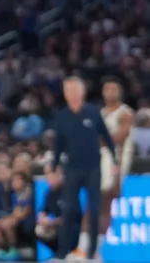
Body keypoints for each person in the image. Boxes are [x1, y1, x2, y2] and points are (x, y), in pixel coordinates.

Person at [52, 76, 118, 261]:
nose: (72, 94)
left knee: (95, 210)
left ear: (82, 92)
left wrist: (115, 160)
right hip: (72, 169)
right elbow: (58, 145)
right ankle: (63, 252)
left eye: (75, 90)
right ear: (65, 94)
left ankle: (91, 252)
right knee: (68, 210)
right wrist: (53, 166)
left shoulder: (93, 112)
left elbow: (107, 137)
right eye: (68, 90)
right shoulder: (61, 116)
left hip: (92, 169)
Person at [99, 77, 134, 240]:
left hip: (115, 161)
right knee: (95, 205)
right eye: (107, 88)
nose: (110, 92)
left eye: (113, 88)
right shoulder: (100, 113)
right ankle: (91, 247)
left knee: (106, 202)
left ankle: (99, 246)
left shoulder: (125, 113)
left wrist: (98, 140)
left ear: (120, 92)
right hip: (99, 160)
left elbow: (119, 138)